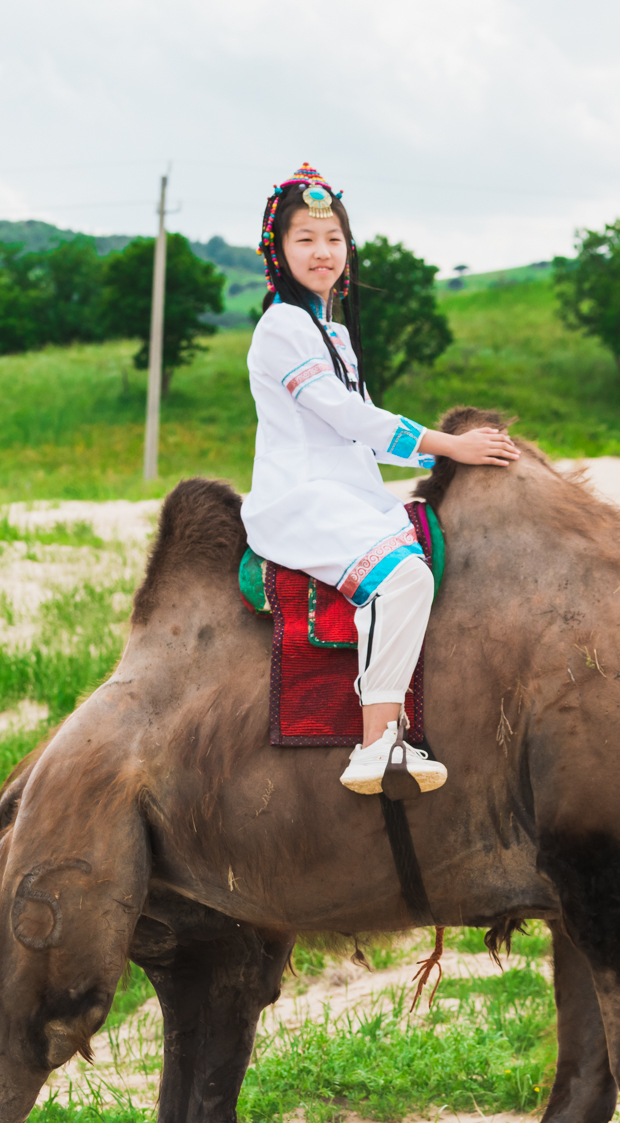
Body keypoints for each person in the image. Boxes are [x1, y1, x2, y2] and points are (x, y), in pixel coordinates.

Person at [241, 164, 519, 794]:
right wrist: (450, 446)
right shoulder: (284, 327)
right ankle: (376, 744)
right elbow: (348, 417)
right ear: (278, 252)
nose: (322, 252)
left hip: (351, 492)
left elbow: (358, 431)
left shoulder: (331, 331)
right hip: (304, 500)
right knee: (405, 578)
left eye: (333, 238)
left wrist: (438, 461)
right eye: (305, 239)